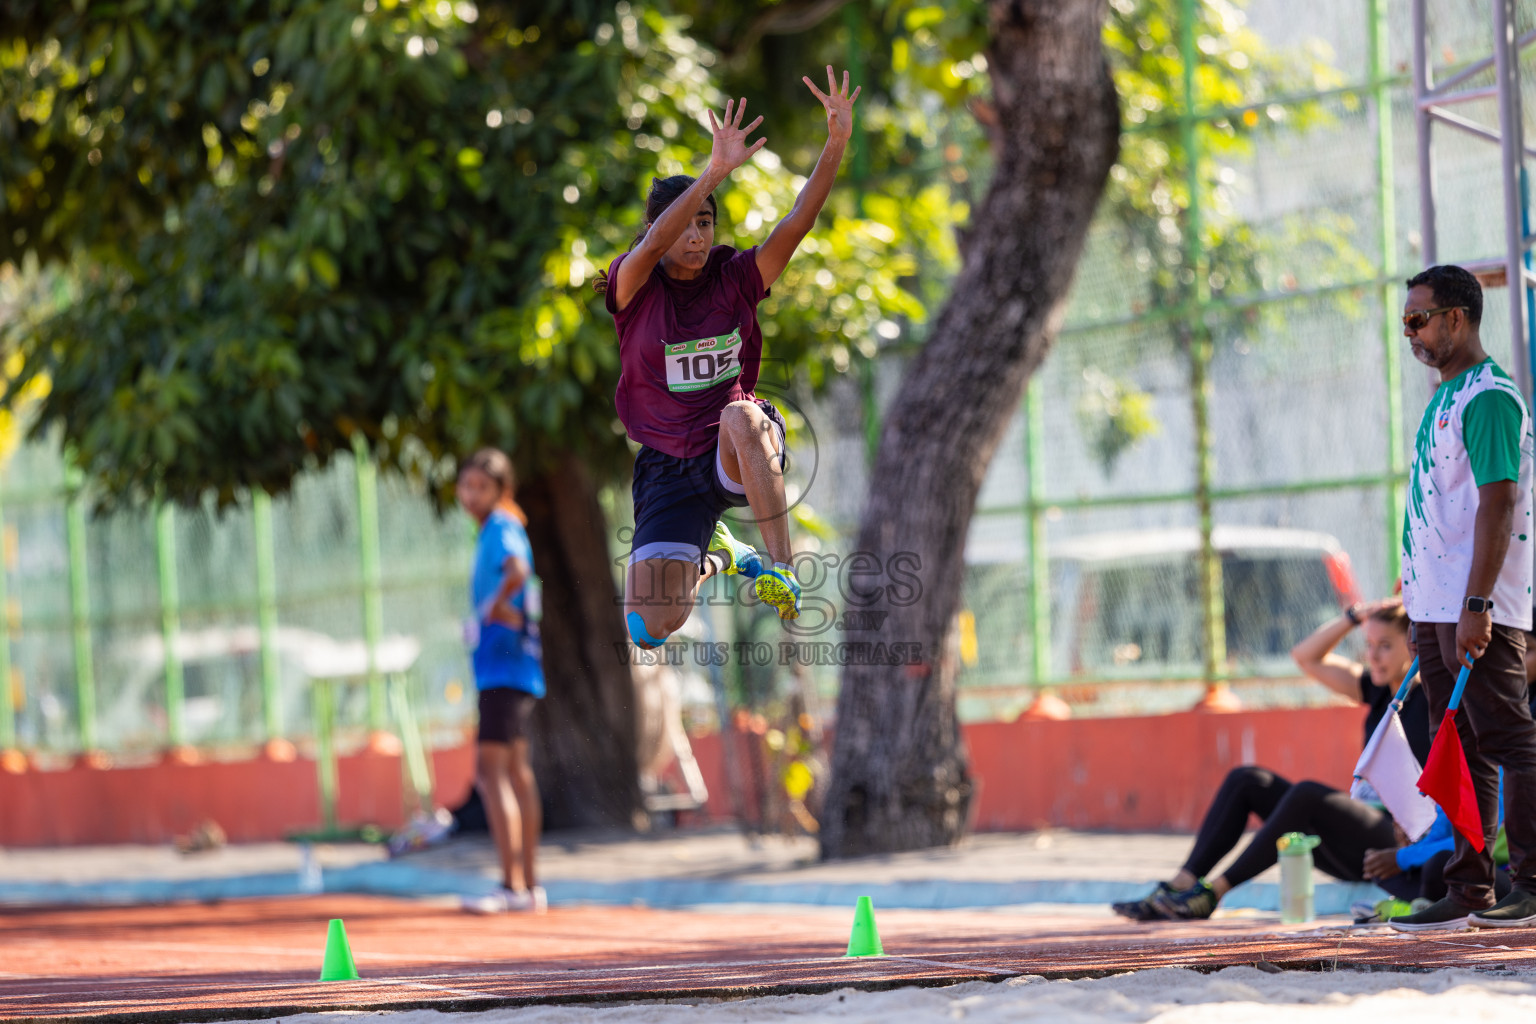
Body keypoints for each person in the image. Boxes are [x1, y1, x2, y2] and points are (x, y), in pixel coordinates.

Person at [598, 68, 859, 650]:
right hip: (668, 464)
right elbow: (651, 246)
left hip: (736, 451)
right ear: (656, 233)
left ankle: (782, 569)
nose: (695, 235)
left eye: (706, 221)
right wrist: (714, 170)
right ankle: (724, 554)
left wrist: (836, 143)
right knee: (647, 628)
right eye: (683, 225)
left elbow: (798, 222)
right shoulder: (633, 284)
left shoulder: (734, 276)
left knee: (739, 415)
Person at [1112, 599, 1428, 921]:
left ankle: (1213, 893)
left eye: (1385, 646)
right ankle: (1182, 885)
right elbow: (1305, 657)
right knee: (1249, 780)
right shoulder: (1376, 691)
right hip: (1355, 843)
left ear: (1412, 646)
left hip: (1399, 842)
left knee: (1307, 794)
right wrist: (1354, 616)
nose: (1372, 656)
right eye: (1369, 645)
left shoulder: (1430, 695)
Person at [1388, 264, 1536, 932]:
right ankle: (1469, 887)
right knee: (1461, 743)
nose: (1412, 333)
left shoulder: (1490, 398)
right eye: (1405, 322)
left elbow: (1498, 503)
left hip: (1475, 607)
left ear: (1458, 318)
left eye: (1419, 319)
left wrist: (1477, 605)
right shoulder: (1445, 396)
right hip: (1434, 605)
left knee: (1510, 738)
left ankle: (1530, 883)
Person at [455, 448, 546, 914]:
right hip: (515, 667)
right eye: (465, 485)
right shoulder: (500, 527)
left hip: (504, 667)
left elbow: (519, 572)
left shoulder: (501, 527)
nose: (471, 495)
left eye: (481, 487)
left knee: (492, 773)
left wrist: (492, 605)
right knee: (514, 771)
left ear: (500, 491)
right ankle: (527, 887)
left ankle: (513, 886)